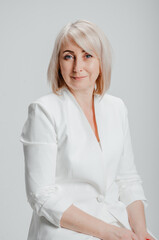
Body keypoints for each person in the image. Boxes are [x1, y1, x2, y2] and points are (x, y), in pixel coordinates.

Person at [20, 19, 157, 240]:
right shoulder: (44, 110)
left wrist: (140, 233)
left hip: (115, 221)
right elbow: (42, 195)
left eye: (87, 55)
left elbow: (127, 179)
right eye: (68, 56)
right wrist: (109, 232)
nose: (77, 67)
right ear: (58, 63)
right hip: (66, 228)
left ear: (101, 61)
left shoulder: (116, 107)